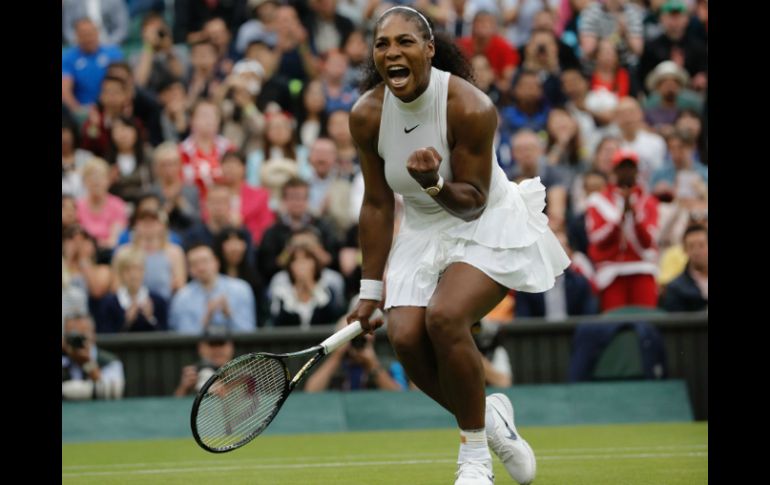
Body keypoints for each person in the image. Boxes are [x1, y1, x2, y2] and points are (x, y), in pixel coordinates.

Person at [346, 7, 570, 485]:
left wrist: (432, 184)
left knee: (444, 318)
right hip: (423, 229)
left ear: (429, 49)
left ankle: (474, 458)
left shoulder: (469, 106)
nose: (392, 52)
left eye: (405, 42)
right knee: (405, 337)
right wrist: (369, 290)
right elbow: (378, 204)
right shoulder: (366, 114)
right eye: (382, 44)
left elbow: (470, 203)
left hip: (483, 218)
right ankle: (489, 419)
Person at [62, 313, 125, 400]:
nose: (77, 342)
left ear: (93, 335)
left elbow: (111, 394)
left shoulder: (110, 361)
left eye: (82, 336)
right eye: (71, 337)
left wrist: (87, 363)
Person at [174, 325, 236, 397]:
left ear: (231, 346)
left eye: (221, 343)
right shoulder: (192, 376)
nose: (217, 349)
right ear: (201, 347)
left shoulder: (243, 377)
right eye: (212, 344)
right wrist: (184, 389)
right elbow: (173, 406)